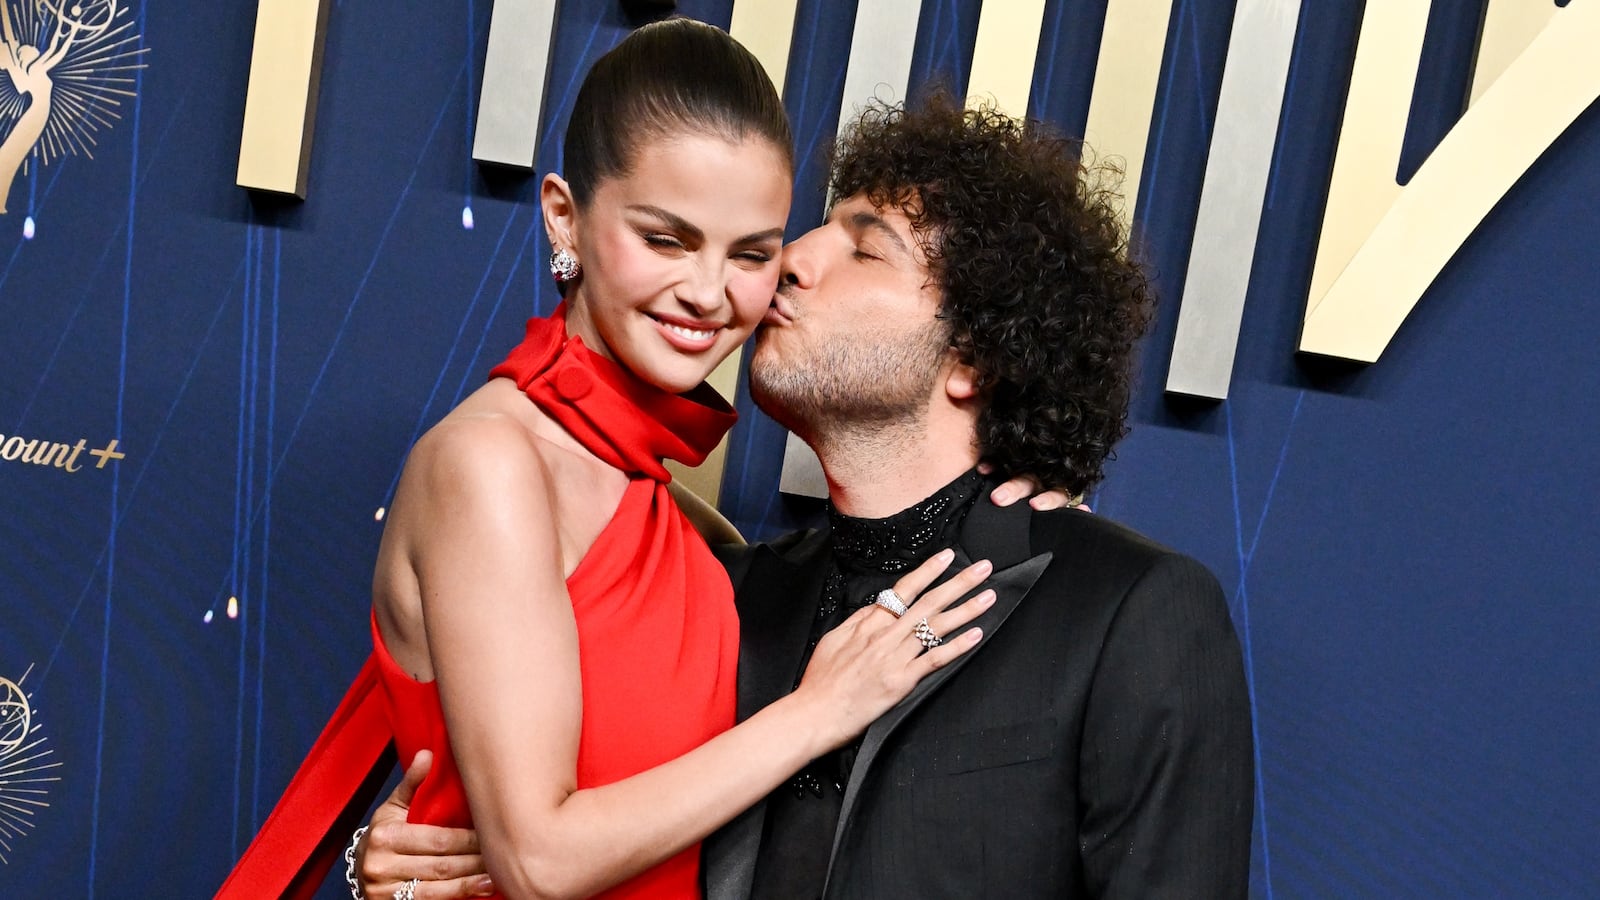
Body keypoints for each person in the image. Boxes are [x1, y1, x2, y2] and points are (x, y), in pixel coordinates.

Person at [360, 94, 1255, 899]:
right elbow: (550, 824)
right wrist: (399, 864)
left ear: (979, 356)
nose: (791, 261)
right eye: (813, 230)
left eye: (865, 248)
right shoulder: (725, 598)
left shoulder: (1127, 612)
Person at [218, 21, 1005, 900]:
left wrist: (1010, 489)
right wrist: (817, 713)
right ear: (566, 216)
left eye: (750, 254)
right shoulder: (491, 463)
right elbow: (538, 861)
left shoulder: (681, 522)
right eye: (666, 240)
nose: (709, 293)